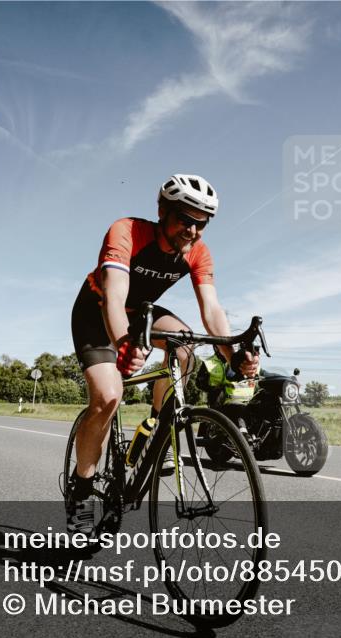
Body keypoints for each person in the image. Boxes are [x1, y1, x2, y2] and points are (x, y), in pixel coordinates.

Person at [67, 174, 259, 535]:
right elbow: (114, 293)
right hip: (97, 310)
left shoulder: (198, 252)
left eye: (201, 224)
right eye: (184, 219)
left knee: (186, 347)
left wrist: (234, 356)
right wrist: (124, 342)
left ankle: (156, 425)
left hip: (142, 312)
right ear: (162, 211)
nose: (192, 230)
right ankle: (81, 488)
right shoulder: (127, 231)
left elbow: (212, 311)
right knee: (108, 397)